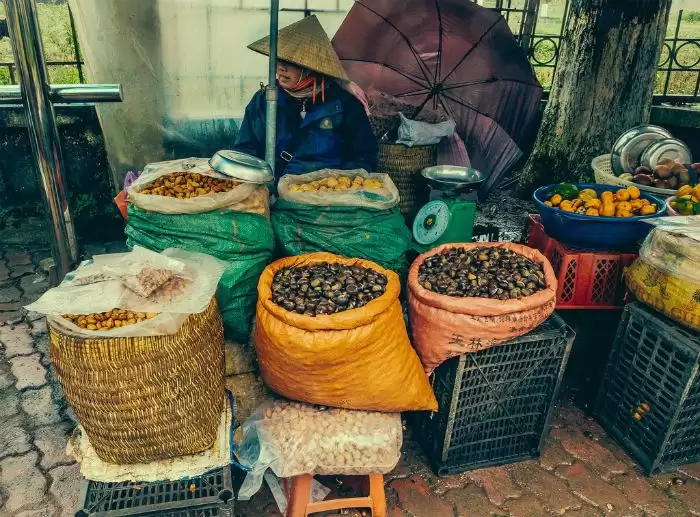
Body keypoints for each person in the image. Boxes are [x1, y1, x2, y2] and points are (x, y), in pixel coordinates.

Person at [234, 15, 378, 184]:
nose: (281, 67)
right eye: (278, 59)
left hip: (329, 194)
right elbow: (245, 151)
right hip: (276, 190)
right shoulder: (264, 101)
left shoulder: (345, 103)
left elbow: (364, 156)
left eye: (291, 62)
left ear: (311, 67)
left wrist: (336, 183)